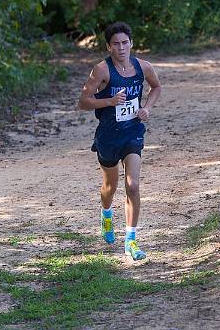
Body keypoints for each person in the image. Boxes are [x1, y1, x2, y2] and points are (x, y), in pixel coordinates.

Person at [78, 22, 162, 260]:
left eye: (125, 43)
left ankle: (131, 241)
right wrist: (109, 102)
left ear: (131, 44)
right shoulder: (101, 71)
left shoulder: (143, 67)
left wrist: (147, 107)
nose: (121, 48)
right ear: (109, 46)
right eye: (116, 44)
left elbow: (156, 87)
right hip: (108, 136)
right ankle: (106, 214)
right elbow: (83, 102)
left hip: (132, 133)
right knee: (110, 188)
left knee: (133, 185)